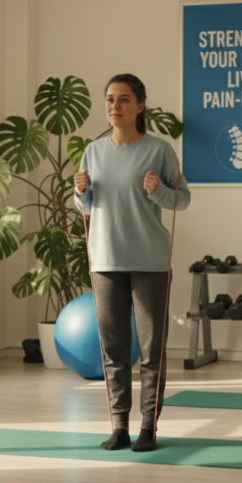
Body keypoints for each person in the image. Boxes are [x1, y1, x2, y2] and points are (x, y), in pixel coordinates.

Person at [73, 74, 191, 452]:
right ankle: (119, 426)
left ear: (140, 106)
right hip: (105, 261)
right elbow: (88, 206)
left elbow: (183, 200)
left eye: (124, 100)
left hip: (150, 263)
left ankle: (148, 427)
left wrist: (159, 191)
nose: (115, 107)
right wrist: (80, 193)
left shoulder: (160, 150)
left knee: (152, 348)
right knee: (114, 350)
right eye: (110, 100)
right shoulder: (92, 151)